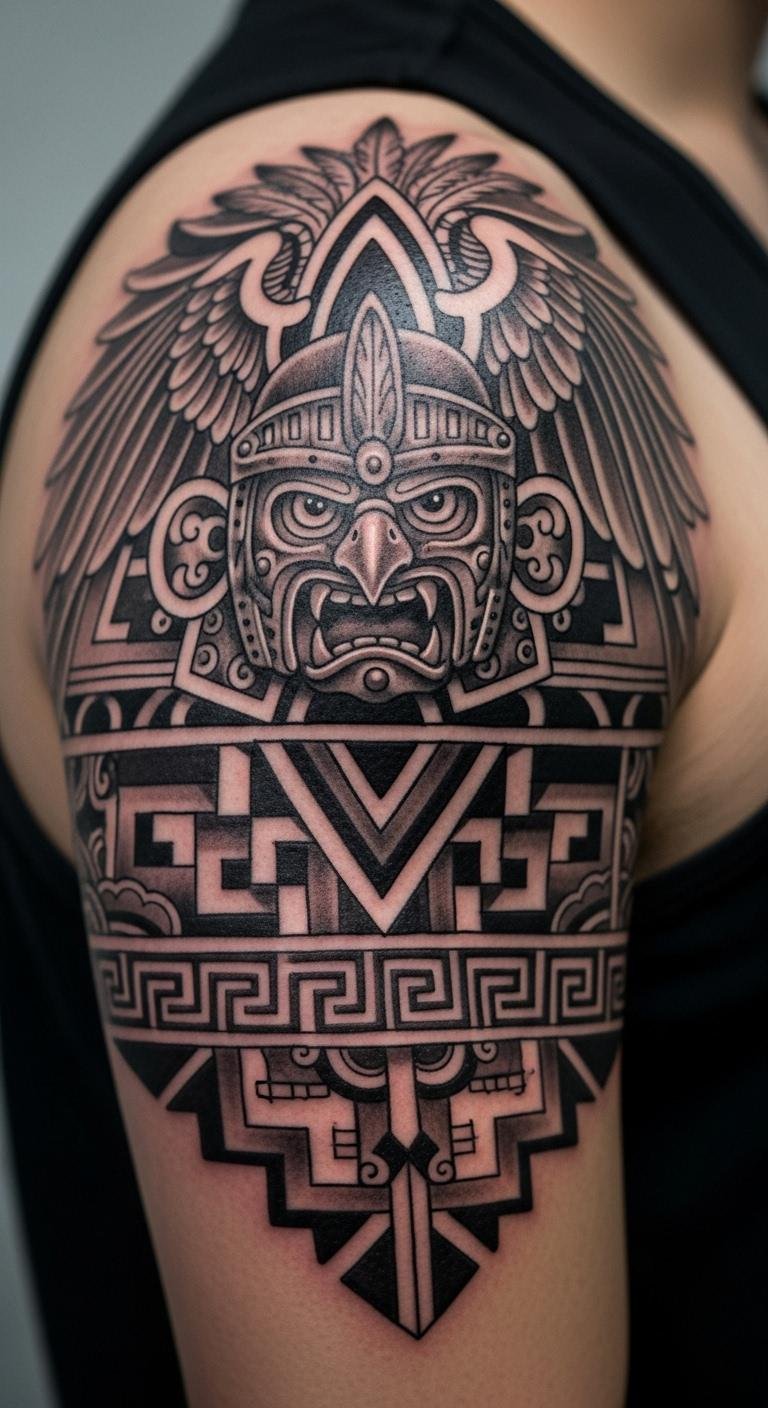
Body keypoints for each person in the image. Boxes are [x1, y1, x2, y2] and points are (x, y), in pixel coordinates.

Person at [0, 2, 766, 1405]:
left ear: (537, 543)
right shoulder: (440, 295)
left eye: (434, 512)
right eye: (307, 513)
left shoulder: (708, 167)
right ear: (201, 554)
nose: (370, 565)